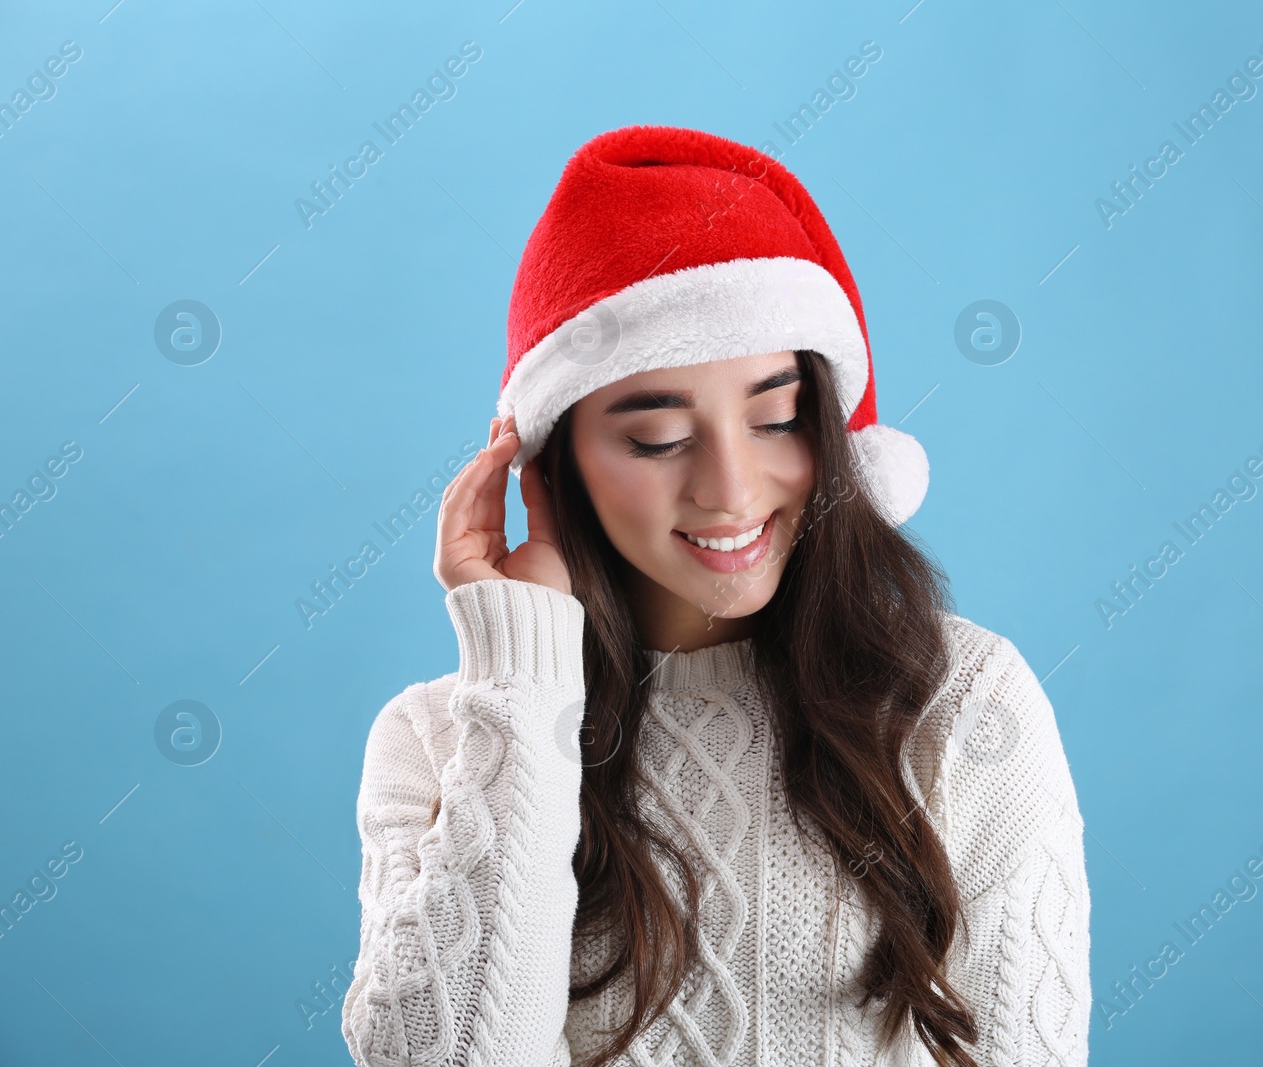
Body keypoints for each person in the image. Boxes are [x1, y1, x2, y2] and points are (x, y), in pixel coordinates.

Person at [340, 124, 1090, 1067]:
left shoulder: (963, 699)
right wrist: (523, 675)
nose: (731, 490)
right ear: (550, 458)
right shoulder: (440, 738)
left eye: (775, 417)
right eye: (656, 437)